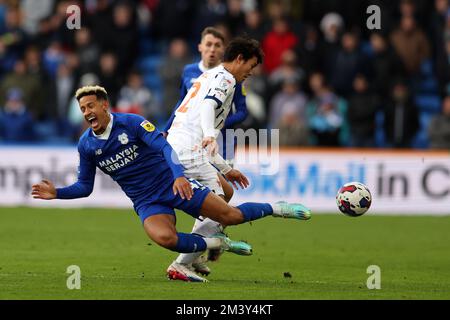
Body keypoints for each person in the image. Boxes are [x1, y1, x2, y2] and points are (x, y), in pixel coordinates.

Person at [31, 85, 312, 283]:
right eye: (82, 108)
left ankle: (277, 208)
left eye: (91, 105)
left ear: (105, 105)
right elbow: (85, 186)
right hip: (147, 201)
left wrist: (179, 175)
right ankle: (217, 243)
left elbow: (165, 148)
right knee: (166, 238)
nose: (86, 112)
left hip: (173, 184)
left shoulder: (132, 123)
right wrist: (58, 193)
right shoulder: (86, 145)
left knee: (231, 215)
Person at [162, 28, 250, 279]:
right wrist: (167, 131)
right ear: (200, 47)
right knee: (219, 203)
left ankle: (195, 254)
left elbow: (241, 111)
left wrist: (214, 129)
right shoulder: (200, 74)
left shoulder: (227, 77)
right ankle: (188, 257)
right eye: (208, 44)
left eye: (217, 45)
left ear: (224, 50)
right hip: (193, 142)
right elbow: (186, 105)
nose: (212, 49)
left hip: (204, 141)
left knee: (225, 194)